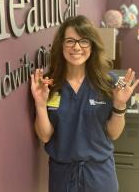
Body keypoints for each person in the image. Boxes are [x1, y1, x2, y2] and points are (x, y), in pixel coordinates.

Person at [30, 15, 139, 192]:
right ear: (61, 45)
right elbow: (45, 136)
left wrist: (119, 105)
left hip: (99, 175)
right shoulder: (49, 84)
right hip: (62, 176)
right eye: (70, 41)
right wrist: (40, 105)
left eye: (84, 41)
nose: (77, 47)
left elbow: (113, 133)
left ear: (92, 45)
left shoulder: (108, 82)